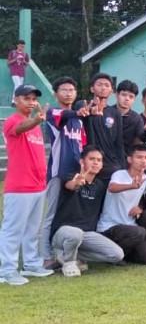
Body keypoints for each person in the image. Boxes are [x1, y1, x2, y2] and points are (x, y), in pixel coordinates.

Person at [0, 85, 53, 285]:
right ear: (16, 100)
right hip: (20, 186)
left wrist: (36, 121)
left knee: (32, 230)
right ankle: (6, 270)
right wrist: (37, 120)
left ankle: (31, 264)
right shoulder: (13, 121)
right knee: (12, 230)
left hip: (37, 185)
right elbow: (20, 128)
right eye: (26, 98)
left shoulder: (35, 125)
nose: (31, 102)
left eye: (33, 99)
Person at [50, 146, 125, 277]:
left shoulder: (100, 185)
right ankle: (69, 263)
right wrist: (77, 183)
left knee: (117, 255)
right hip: (64, 231)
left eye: (99, 160)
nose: (95, 162)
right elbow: (71, 185)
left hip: (87, 234)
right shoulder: (71, 177)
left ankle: (67, 255)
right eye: (92, 159)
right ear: (82, 161)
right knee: (75, 234)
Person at [41, 76, 88, 268]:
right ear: (55, 94)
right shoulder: (53, 113)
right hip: (58, 173)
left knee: (71, 213)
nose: (68, 93)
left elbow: (82, 147)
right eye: (64, 90)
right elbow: (66, 114)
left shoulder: (79, 122)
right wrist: (78, 111)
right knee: (50, 215)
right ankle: (45, 256)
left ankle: (68, 253)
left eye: (71, 90)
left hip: (76, 174)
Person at [96, 145, 146, 265]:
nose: (143, 161)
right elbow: (112, 187)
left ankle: (120, 255)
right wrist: (131, 186)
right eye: (139, 157)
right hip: (110, 226)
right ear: (130, 159)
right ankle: (111, 254)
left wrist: (140, 208)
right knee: (140, 232)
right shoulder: (119, 174)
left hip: (130, 225)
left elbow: (142, 200)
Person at [83, 72, 124, 182]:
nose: (103, 88)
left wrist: (122, 167)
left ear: (111, 90)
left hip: (110, 165)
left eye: (107, 85)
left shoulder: (115, 113)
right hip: (90, 164)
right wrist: (91, 111)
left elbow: (119, 142)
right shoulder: (83, 107)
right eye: (99, 84)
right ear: (92, 89)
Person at [114, 80, 145, 157]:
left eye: (131, 96)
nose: (127, 99)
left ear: (134, 99)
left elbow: (139, 143)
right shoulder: (106, 113)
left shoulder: (137, 119)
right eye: (124, 95)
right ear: (117, 95)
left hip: (127, 159)